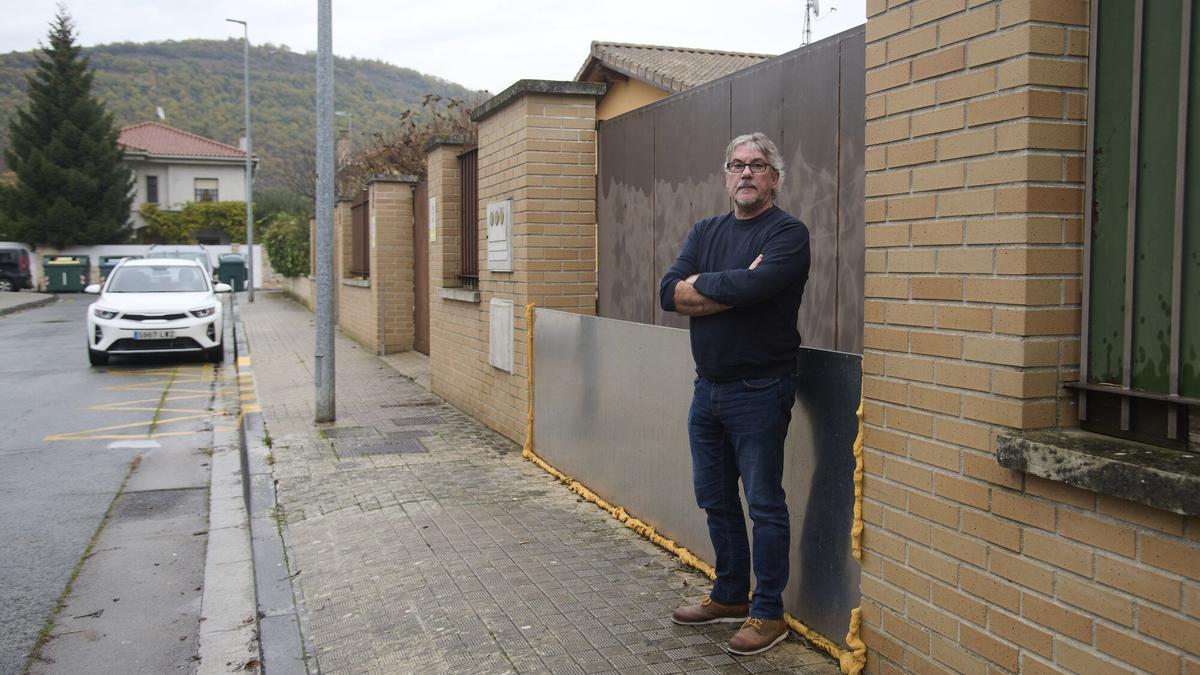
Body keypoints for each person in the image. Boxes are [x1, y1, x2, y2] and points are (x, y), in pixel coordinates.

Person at [658, 132, 810, 656]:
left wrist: (705, 288)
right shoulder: (706, 230)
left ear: (774, 178)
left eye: (758, 165)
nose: (746, 173)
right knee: (715, 498)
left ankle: (768, 613)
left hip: (761, 388)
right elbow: (667, 294)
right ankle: (728, 595)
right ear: (726, 177)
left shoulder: (789, 233)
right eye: (736, 165)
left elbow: (755, 289)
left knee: (764, 503)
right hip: (710, 389)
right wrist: (732, 287)